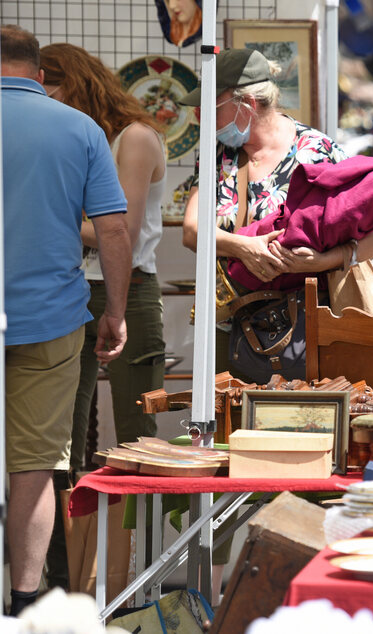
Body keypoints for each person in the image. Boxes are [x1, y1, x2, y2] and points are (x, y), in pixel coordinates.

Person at [179, 47, 373, 599]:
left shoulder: (316, 149)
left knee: (313, 455)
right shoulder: (220, 156)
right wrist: (244, 247)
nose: (208, 120)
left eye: (216, 107)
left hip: (309, 328)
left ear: (247, 105)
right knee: (243, 459)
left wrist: (320, 261)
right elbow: (193, 228)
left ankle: (319, 588)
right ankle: (234, 597)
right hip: (244, 332)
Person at [1, 25, 131, 616]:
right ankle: (24, 602)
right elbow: (112, 229)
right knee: (34, 465)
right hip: (50, 319)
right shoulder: (81, 129)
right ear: (40, 75)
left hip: (42, 315)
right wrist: (116, 311)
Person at [40, 42, 167, 473]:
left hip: (130, 289)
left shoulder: (133, 137)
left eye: (51, 95)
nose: (47, 107)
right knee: (64, 428)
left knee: (137, 434)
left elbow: (121, 235)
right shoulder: (79, 137)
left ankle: (142, 541)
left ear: (72, 86)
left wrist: (50, 216)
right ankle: (66, 539)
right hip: (75, 287)